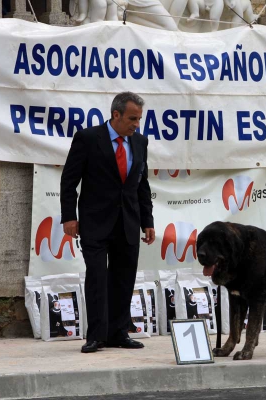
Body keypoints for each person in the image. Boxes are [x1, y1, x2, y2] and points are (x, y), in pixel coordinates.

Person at [61, 91, 155, 353]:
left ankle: (118, 332)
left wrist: (147, 221)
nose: (136, 124)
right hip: (95, 223)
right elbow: (69, 180)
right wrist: (69, 216)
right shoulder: (89, 138)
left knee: (123, 279)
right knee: (97, 278)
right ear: (116, 114)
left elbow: (141, 185)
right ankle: (96, 335)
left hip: (127, 222)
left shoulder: (140, 143)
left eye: (139, 119)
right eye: (132, 118)